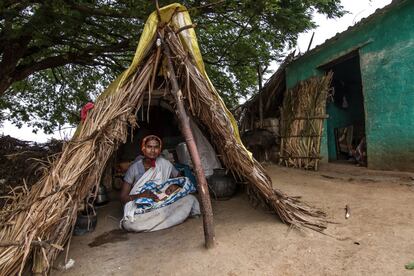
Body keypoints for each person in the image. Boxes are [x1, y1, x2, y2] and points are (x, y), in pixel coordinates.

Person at [120, 135, 200, 232]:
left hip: (163, 203)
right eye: (149, 147)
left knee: (190, 198)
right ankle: (169, 220)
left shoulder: (165, 164)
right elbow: (123, 198)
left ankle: (155, 223)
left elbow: (181, 181)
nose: (153, 150)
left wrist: (175, 186)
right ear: (143, 148)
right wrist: (141, 195)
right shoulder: (134, 169)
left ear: (160, 149)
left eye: (156, 147)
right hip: (142, 208)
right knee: (128, 223)